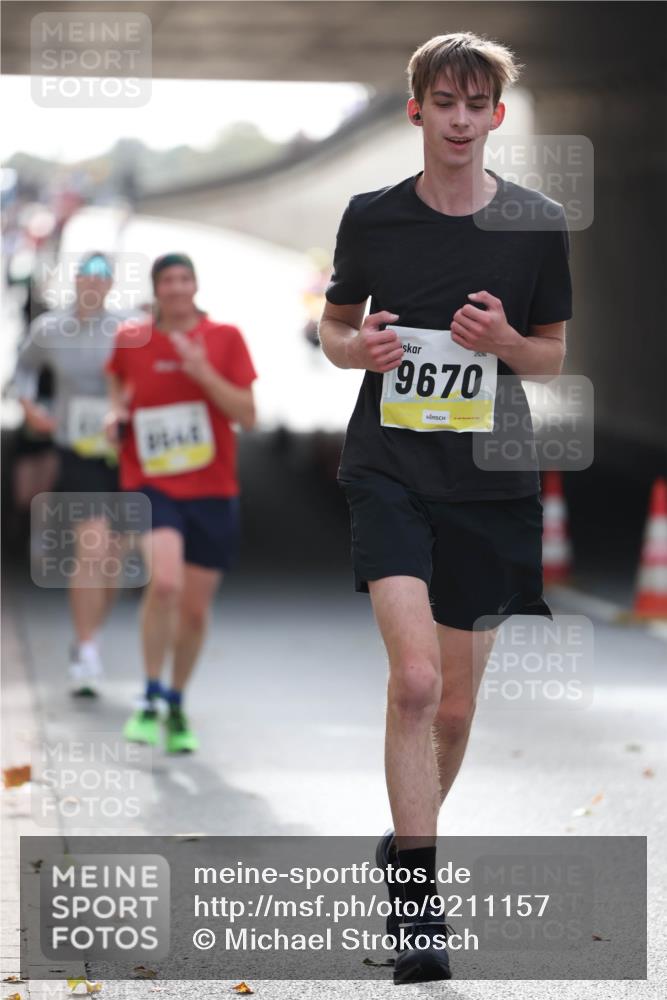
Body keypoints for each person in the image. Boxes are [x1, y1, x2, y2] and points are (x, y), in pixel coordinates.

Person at [319, 32, 572, 983]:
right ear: (416, 109)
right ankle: (418, 903)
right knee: (416, 682)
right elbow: (334, 323)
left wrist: (506, 337)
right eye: (444, 102)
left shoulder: (535, 222)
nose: (460, 120)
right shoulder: (371, 218)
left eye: (477, 105)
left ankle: (403, 841)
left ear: (495, 116)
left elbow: (550, 352)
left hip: (492, 481)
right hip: (387, 467)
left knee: (457, 710)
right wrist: (358, 351)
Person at [106, 253, 257, 753]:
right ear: (156, 289)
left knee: (194, 611)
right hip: (152, 482)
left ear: (195, 285)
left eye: (184, 279)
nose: (176, 288)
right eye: (166, 280)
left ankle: (175, 700)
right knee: (164, 583)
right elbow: (119, 387)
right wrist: (116, 413)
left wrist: (201, 372)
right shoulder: (131, 338)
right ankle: (148, 697)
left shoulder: (225, 338)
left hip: (212, 489)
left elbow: (248, 415)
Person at [12, 252, 128, 696]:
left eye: (102, 278)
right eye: (86, 276)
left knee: (115, 558)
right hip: (77, 448)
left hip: (122, 449)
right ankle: (87, 649)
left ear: (111, 284)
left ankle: (90, 635)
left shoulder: (128, 328)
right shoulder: (51, 329)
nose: (93, 285)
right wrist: (31, 409)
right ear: (75, 281)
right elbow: (23, 369)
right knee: (91, 548)